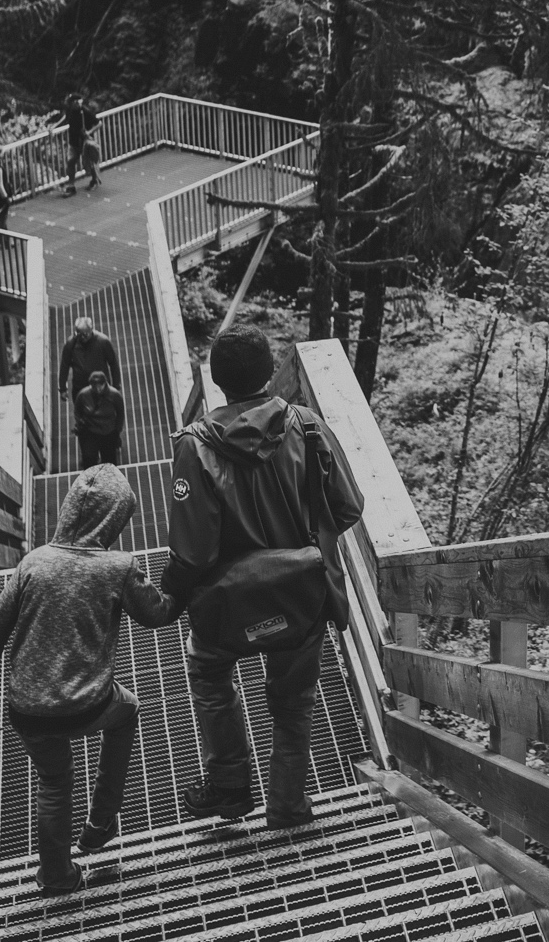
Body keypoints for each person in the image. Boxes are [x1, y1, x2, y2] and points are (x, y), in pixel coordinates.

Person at [164, 323, 364, 827]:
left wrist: (167, 595)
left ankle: (231, 785)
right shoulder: (306, 424)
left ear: (216, 380)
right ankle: (288, 806)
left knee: (208, 670)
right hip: (302, 597)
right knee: (294, 699)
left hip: (228, 605)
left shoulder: (195, 446)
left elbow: (192, 551)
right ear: (269, 371)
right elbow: (349, 506)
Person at [0, 466, 181, 893]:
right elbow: (159, 614)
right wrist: (181, 579)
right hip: (90, 705)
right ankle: (101, 821)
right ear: (115, 520)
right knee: (128, 711)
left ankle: (57, 876)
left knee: (55, 781)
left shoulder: (33, 563)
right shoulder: (118, 567)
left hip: (28, 710)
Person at [57, 315, 120, 400]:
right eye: (79, 334)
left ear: (91, 330)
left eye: (85, 334)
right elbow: (64, 366)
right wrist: (62, 389)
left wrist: (116, 387)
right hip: (80, 388)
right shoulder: (71, 344)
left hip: (100, 388)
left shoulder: (103, 342)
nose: (82, 337)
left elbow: (113, 364)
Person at [74, 369, 125, 468]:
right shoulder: (83, 395)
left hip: (108, 431)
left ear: (105, 383)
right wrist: (80, 422)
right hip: (90, 431)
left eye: (100, 385)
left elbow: (120, 413)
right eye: (94, 386)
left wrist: (117, 430)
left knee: (109, 460)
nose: (97, 389)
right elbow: (77, 410)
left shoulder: (115, 395)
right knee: (89, 459)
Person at [56, 95, 101, 195]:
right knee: (71, 162)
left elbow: (99, 123)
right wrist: (54, 126)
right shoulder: (70, 111)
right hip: (73, 142)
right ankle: (71, 186)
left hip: (84, 142)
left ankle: (94, 180)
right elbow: (65, 118)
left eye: (78, 101)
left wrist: (89, 132)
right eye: (74, 102)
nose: (77, 103)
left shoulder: (85, 112)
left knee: (90, 162)